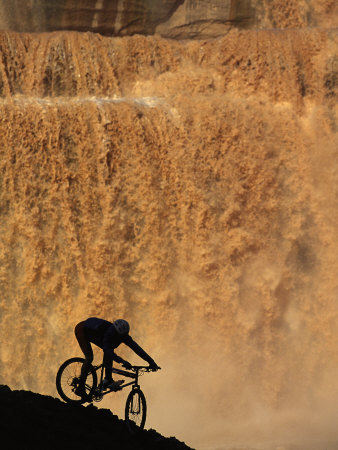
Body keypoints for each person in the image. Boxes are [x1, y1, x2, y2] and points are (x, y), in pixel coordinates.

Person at [74, 317, 159, 398]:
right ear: (116, 332)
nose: (121, 338)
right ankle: (80, 387)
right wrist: (122, 361)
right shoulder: (109, 333)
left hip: (96, 333)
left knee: (110, 350)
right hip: (82, 330)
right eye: (119, 336)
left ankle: (108, 379)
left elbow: (137, 348)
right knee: (89, 358)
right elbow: (107, 350)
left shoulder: (123, 335)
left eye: (123, 336)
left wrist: (151, 362)